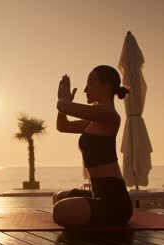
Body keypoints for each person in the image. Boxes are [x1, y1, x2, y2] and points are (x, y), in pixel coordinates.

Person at [53, 65, 133, 227]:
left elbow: (63, 105)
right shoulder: (94, 120)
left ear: (106, 85)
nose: (85, 89)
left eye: (90, 82)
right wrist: (64, 105)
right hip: (98, 193)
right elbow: (63, 127)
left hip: (115, 202)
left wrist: (65, 101)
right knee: (58, 197)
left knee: (60, 211)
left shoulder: (108, 114)